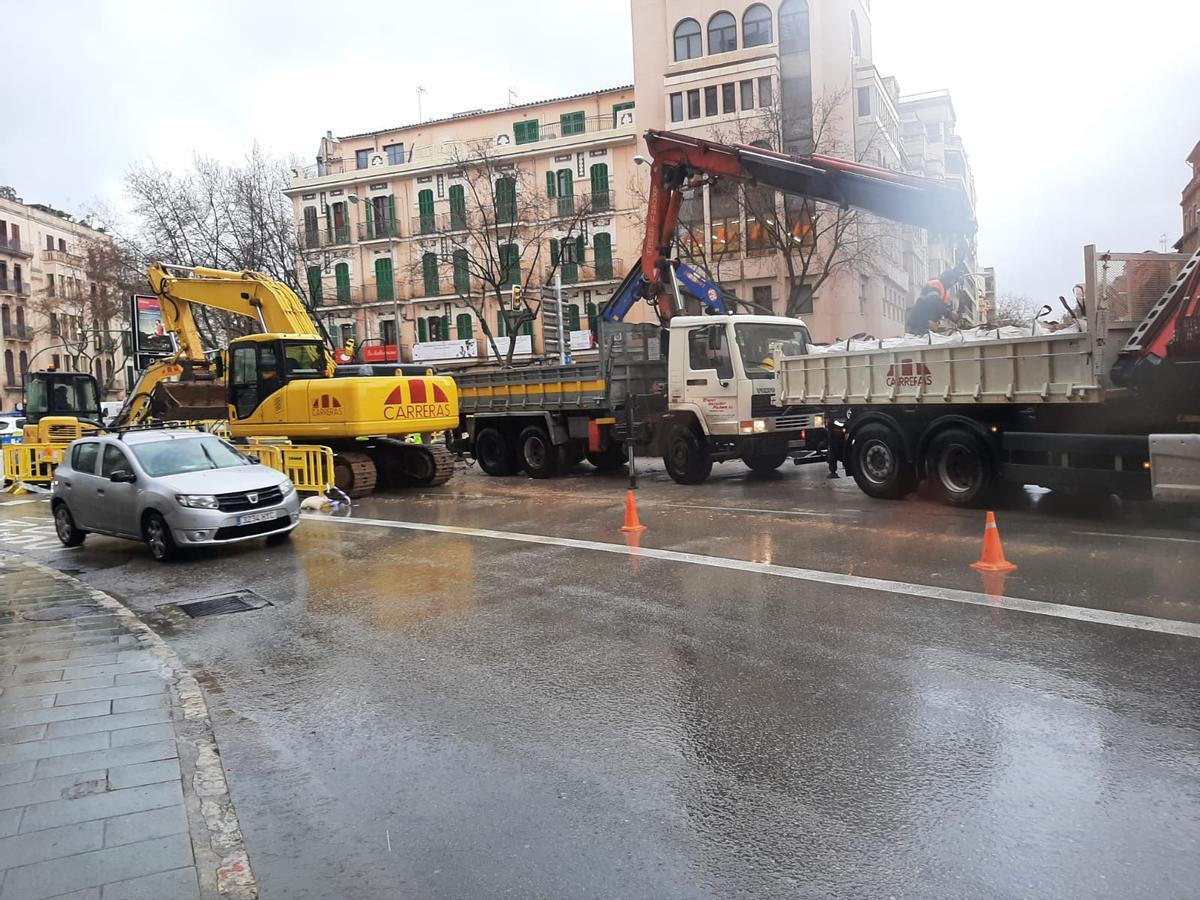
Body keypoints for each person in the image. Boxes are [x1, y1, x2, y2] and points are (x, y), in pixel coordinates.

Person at [906, 264, 968, 335]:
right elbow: (933, 301)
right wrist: (950, 313)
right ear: (948, 278)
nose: (952, 283)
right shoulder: (935, 284)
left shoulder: (945, 293)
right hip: (919, 321)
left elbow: (944, 308)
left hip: (929, 323)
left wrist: (954, 317)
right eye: (952, 280)